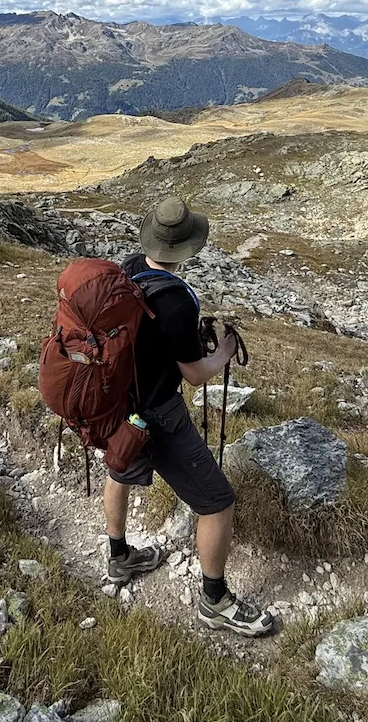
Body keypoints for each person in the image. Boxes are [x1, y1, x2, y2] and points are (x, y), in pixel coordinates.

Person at [103, 195, 277, 637]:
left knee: (121, 465)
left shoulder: (129, 268)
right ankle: (215, 602)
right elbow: (196, 376)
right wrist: (221, 352)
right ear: (187, 248)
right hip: (159, 412)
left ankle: (119, 556)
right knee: (217, 502)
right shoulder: (177, 302)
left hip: (120, 403)